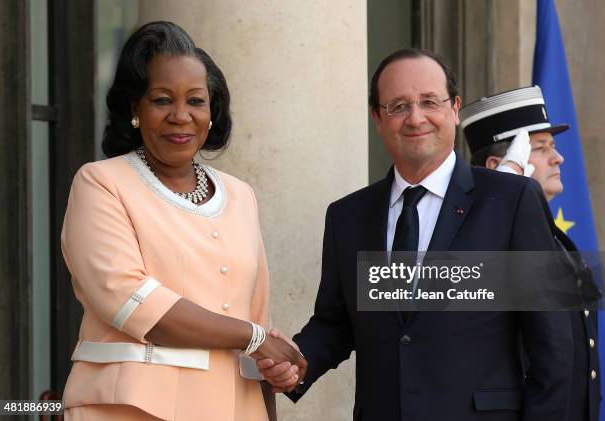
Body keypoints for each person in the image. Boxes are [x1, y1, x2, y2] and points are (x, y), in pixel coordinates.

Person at [258, 49, 573, 420]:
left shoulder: (511, 201)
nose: (416, 118)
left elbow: (552, 345)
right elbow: (335, 323)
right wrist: (298, 362)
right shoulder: (347, 216)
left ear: (454, 108)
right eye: (398, 106)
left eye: (429, 102)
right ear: (377, 118)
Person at [60, 21, 305, 421]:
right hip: (129, 409)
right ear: (134, 109)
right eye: (161, 100)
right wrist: (254, 339)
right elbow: (128, 299)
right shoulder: (101, 183)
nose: (180, 116)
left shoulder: (240, 195)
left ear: (212, 112)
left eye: (195, 101)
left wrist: (277, 366)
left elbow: (257, 317)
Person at [460, 85, 601, 421]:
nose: (558, 157)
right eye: (540, 148)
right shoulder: (486, 241)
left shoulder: (557, 243)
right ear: (502, 165)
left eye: (552, 146)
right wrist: (507, 183)